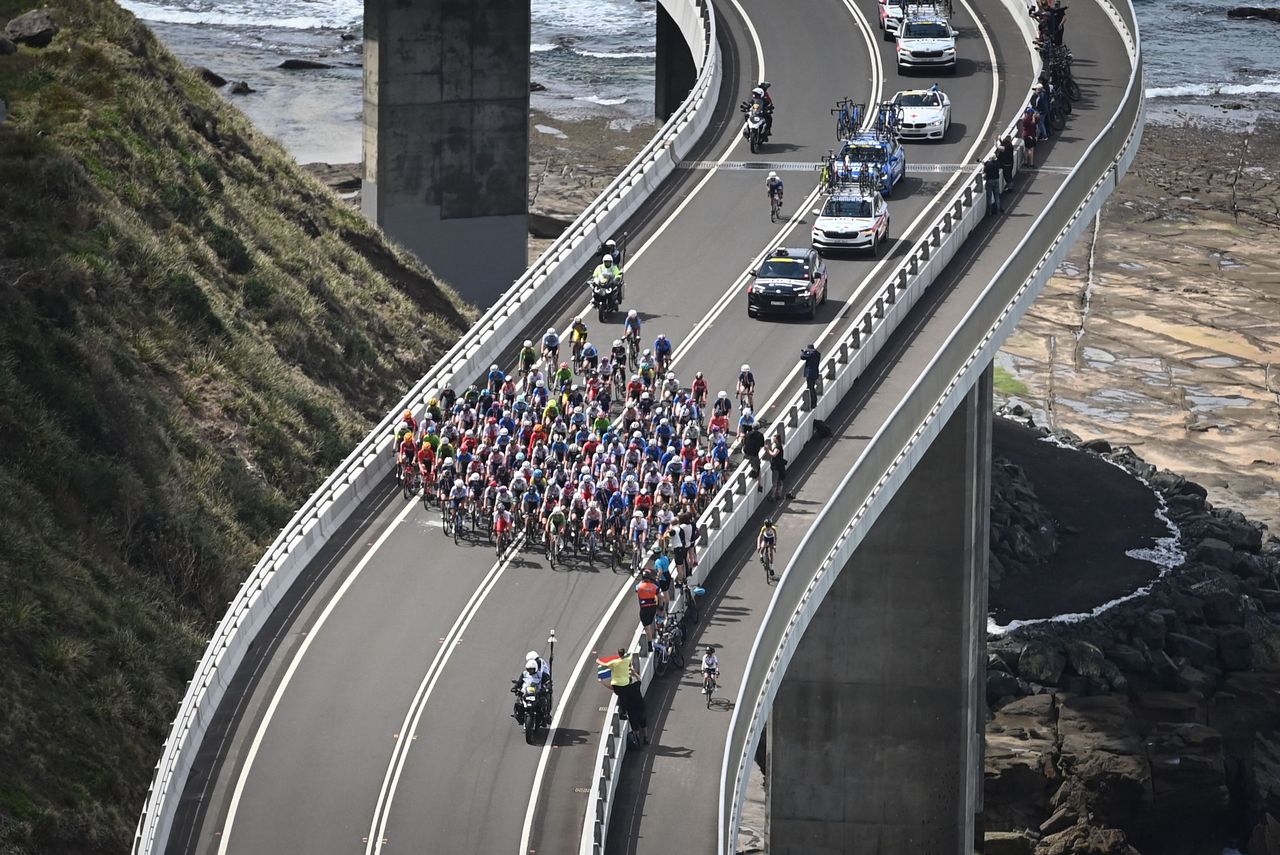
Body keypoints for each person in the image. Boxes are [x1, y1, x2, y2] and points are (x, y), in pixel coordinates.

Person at [598, 648, 648, 744]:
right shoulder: (636, 686)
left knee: (635, 727)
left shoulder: (624, 690)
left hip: (632, 710)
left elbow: (612, 687)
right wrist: (634, 673)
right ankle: (646, 738)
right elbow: (639, 679)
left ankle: (637, 740)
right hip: (641, 707)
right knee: (644, 723)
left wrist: (602, 682)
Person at [635, 568, 666, 649]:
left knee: (647, 627)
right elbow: (661, 596)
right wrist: (661, 606)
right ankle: (659, 627)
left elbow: (636, 589)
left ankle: (649, 645)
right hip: (653, 607)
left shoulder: (639, 586)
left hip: (644, 608)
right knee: (654, 619)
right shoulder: (654, 586)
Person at [741, 422, 766, 489]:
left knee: (744, 466)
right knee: (758, 468)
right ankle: (760, 484)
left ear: (752, 427)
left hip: (746, 453)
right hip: (755, 455)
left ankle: (743, 478)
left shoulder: (748, 434)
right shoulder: (760, 435)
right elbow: (762, 445)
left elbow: (744, 442)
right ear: (758, 428)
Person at [800, 344, 822, 409]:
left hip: (810, 374)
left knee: (810, 388)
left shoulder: (811, 355)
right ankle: (814, 402)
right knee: (812, 388)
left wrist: (804, 352)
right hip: (815, 373)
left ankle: (813, 403)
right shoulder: (817, 354)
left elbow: (802, 357)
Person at [983, 150, 1003, 216]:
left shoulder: (988, 165)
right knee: (997, 196)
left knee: (989, 196)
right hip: (996, 180)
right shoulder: (997, 163)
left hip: (990, 181)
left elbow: (985, 171)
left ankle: (989, 211)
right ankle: (998, 210)